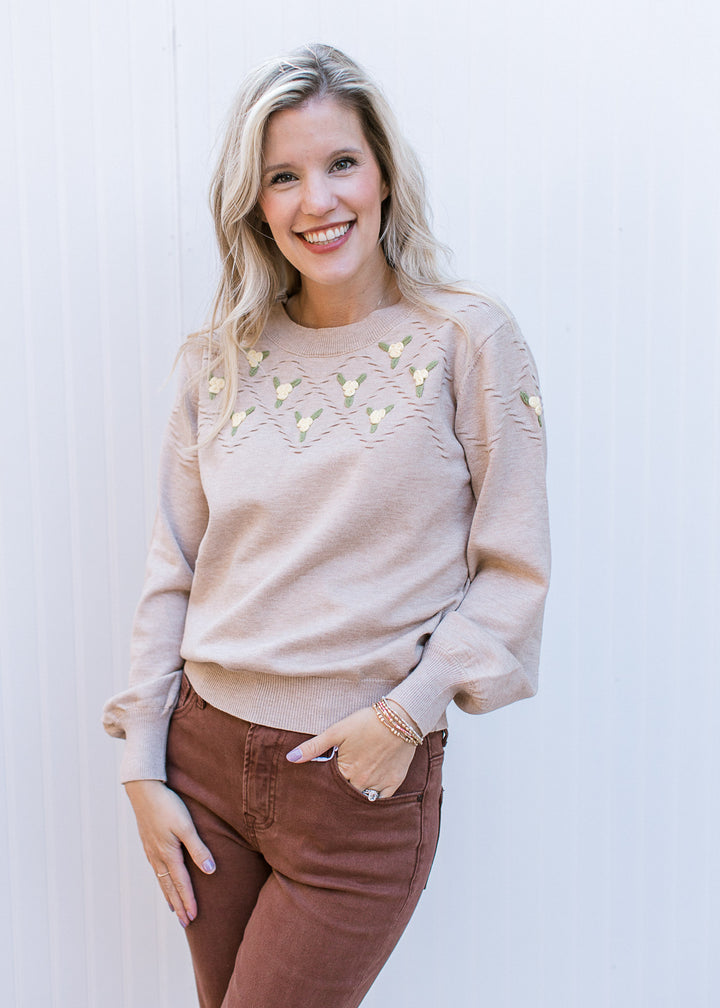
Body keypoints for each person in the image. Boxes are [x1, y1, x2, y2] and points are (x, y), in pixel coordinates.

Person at [102, 42, 550, 1008]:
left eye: (341, 163)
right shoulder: (213, 362)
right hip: (205, 769)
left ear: (384, 171)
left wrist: (406, 715)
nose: (319, 200)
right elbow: (172, 567)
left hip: (358, 783)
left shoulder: (467, 339)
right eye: (283, 176)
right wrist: (142, 768)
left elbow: (515, 568)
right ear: (255, 204)